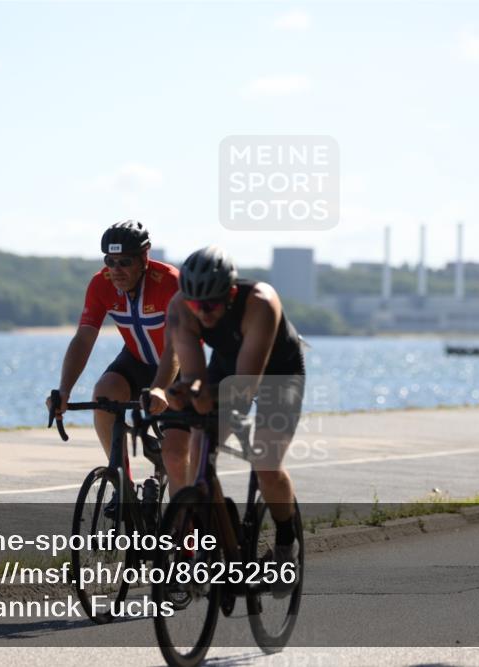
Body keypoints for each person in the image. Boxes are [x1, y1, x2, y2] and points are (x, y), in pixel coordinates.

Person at [166, 245, 305, 597]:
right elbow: (195, 376)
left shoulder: (261, 301)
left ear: (229, 293)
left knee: (266, 463)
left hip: (278, 373)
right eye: (197, 305)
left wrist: (207, 396)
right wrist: (184, 393)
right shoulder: (181, 308)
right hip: (227, 366)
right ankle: (216, 546)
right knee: (199, 451)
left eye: (211, 304)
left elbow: (245, 387)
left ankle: (287, 546)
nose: (203, 312)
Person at [50, 220, 191, 506]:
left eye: (124, 262)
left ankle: (186, 542)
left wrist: (161, 389)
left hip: (179, 366)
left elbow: (176, 347)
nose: (116, 270)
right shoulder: (101, 284)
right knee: (104, 396)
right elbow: (84, 338)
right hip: (138, 359)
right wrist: (64, 391)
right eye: (110, 261)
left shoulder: (169, 283)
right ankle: (123, 486)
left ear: (144, 258)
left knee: (176, 458)